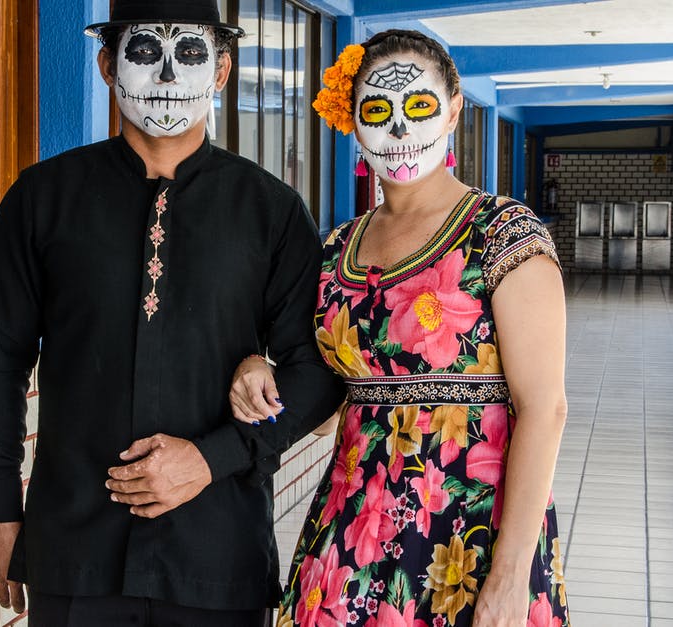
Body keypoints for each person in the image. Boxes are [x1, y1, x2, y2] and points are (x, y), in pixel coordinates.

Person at [0, 0, 344, 624]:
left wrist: (211, 458)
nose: (167, 77)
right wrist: (0, 510)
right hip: (75, 553)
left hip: (217, 558)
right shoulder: (41, 199)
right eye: (144, 53)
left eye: (190, 55)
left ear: (221, 71)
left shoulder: (270, 211)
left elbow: (318, 374)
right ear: (108, 64)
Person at [229, 30, 571, 627]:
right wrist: (258, 369)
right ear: (352, 122)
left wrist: (512, 572)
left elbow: (544, 407)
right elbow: (322, 377)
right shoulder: (338, 247)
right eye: (377, 110)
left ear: (454, 110)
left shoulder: (503, 234)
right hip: (351, 525)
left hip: (466, 539)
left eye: (418, 106)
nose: (398, 130)